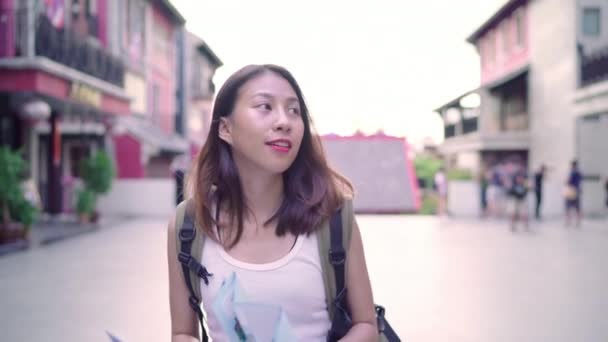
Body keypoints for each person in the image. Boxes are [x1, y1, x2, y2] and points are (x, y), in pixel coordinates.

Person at [167, 64, 377, 341]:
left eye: (294, 111)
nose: (284, 122)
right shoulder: (189, 223)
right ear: (226, 129)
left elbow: (366, 325)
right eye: (265, 106)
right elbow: (183, 332)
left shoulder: (333, 216)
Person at [564, 160, 582, 227]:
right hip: (577, 190)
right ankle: (578, 222)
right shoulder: (579, 172)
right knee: (577, 207)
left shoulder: (572, 172)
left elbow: (568, 181)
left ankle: (568, 221)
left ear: (572, 165)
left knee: (568, 206)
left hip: (571, 191)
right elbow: (580, 181)